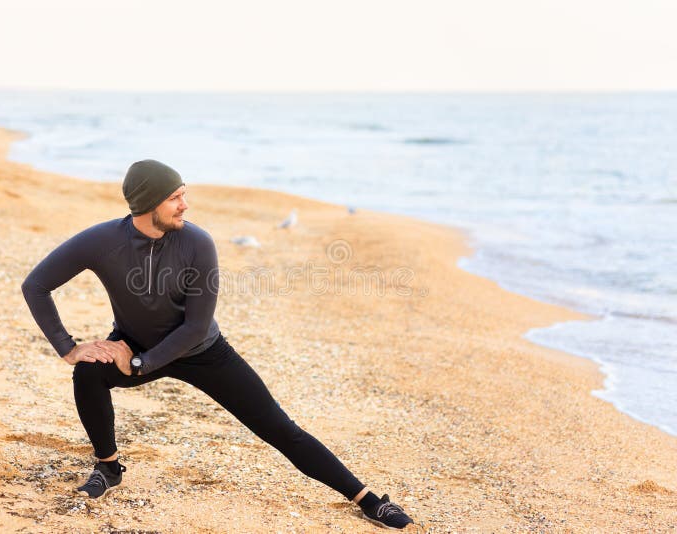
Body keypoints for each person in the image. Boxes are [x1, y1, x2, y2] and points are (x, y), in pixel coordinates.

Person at [21, 159, 414, 530]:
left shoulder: (198, 243)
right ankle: (108, 467)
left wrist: (139, 364)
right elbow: (36, 285)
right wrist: (69, 347)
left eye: (184, 194)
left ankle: (367, 498)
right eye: (175, 198)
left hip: (202, 351)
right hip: (135, 343)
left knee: (278, 426)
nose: (185, 206)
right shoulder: (101, 241)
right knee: (88, 372)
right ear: (146, 204)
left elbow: (195, 326)